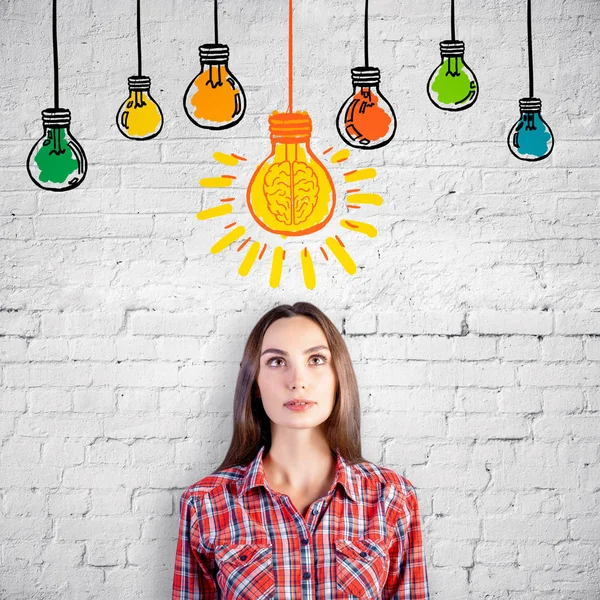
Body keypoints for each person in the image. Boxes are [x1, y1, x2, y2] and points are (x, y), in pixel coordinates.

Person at [172, 302, 430, 599]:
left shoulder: (392, 497)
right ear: (255, 382)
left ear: (338, 376)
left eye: (316, 360)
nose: (298, 382)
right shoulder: (204, 503)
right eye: (277, 362)